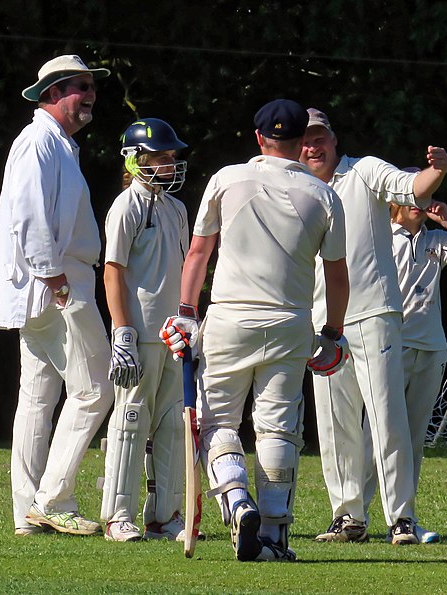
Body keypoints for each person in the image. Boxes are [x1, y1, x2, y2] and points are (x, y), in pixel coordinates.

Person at [160, 99, 349, 562]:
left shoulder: (227, 178)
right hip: (290, 323)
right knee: (279, 430)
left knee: (217, 422)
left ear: (260, 138)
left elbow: (199, 254)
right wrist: (332, 333)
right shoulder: (325, 195)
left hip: (229, 319)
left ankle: (236, 500)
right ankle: (272, 535)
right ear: (303, 142)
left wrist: (187, 311)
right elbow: (339, 275)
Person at [300, 108, 447, 545]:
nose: (313, 147)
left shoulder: (363, 171)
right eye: (306, 140)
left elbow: (409, 187)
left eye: (320, 137)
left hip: (374, 313)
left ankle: (401, 518)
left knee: (388, 416)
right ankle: (347, 517)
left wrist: (436, 171)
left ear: (333, 138)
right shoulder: (294, 187)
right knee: (334, 422)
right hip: (322, 321)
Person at [0, 54, 113, 536]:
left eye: (91, 86)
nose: (90, 94)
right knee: (96, 389)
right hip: (57, 283)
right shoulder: (39, 141)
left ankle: (27, 512)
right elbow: (29, 217)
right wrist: (54, 278)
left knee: (38, 397)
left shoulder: (56, 144)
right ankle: (53, 499)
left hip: (52, 281)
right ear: (53, 93)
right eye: (80, 86)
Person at [362, 192, 447, 543]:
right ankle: (355, 515)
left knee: (413, 440)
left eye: (425, 196)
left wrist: (446, 220)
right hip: (388, 346)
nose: (419, 202)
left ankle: (404, 520)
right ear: (394, 202)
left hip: (430, 349)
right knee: (378, 436)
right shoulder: (379, 236)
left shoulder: (436, 240)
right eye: (411, 196)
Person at [100, 118, 194, 542]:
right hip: (139, 335)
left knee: (173, 424)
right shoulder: (126, 206)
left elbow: (186, 271)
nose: (170, 164)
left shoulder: (177, 209)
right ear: (136, 161)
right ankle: (117, 515)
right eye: (161, 157)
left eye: (172, 157)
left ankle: (165, 516)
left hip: (174, 334)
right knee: (131, 420)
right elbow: (113, 271)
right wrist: (123, 333)